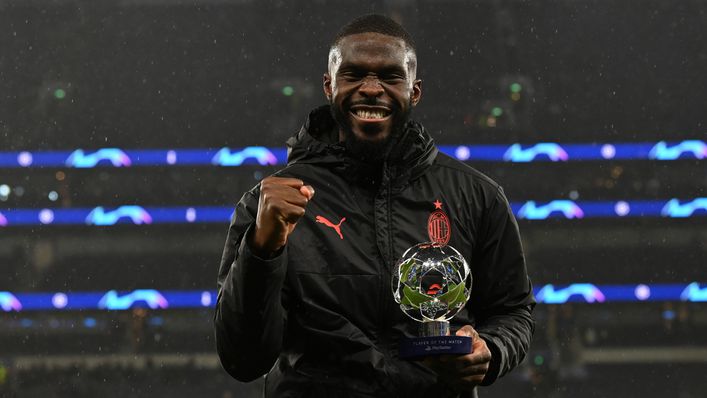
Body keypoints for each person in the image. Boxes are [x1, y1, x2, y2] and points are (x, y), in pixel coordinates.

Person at [214, 14, 535, 398]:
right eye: (353, 75)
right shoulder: (270, 205)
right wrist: (262, 249)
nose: (371, 88)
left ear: (414, 92)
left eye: (389, 76)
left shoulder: (476, 196)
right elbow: (243, 359)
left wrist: (493, 349)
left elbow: (513, 311)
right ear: (329, 86)